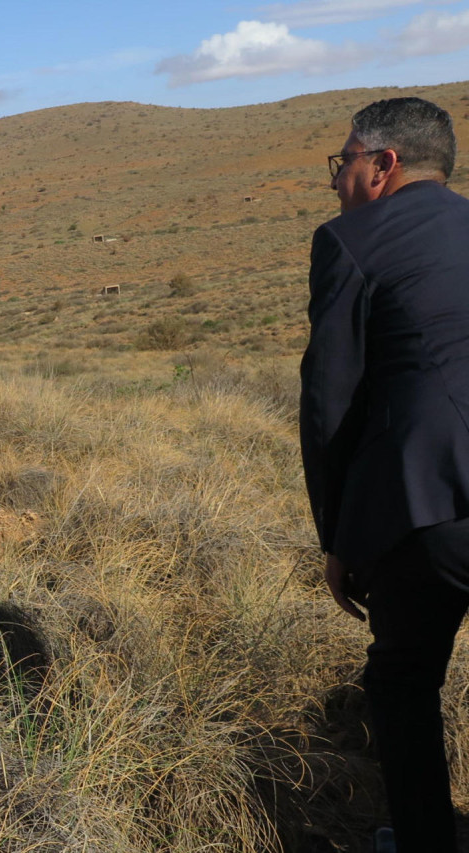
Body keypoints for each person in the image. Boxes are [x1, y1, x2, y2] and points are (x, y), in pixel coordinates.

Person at [300, 96, 469, 852]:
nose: (339, 181)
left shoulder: (351, 240)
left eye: (344, 163)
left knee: (402, 679)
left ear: (383, 165)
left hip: (427, 505)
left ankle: (426, 841)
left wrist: (338, 535)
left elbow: (331, 401)